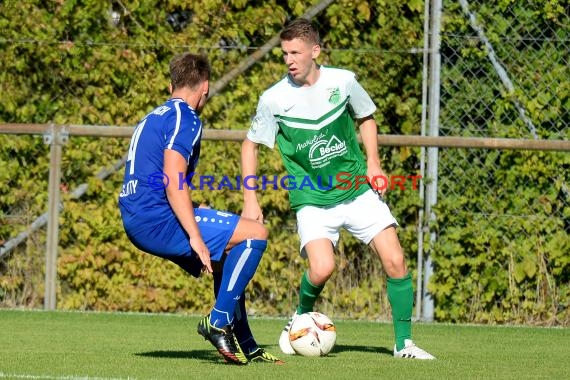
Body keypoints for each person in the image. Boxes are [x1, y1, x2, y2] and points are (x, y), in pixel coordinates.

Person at [241, 18, 435, 360]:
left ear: (315, 51)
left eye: (296, 52)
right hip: (312, 199)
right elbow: (250, 145)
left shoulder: (343, 81)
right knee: (322, 268)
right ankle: (299, 317)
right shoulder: (273, 99)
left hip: (356, 189)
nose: (289, 60)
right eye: (284, 53)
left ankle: (404, 344)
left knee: (395, 259)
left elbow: (366, 117)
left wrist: (374, 162)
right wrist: (250, 198)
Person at [119, 52, 282, 365]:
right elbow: (172, 178)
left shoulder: (155, 116)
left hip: (137, 216)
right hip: (156, 219)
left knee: (230, 250)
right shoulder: (186, 118)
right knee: (256, 234)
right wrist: (194, 234)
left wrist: (193, 210)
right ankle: (217, 322)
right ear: (205, 86)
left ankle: (247, 345)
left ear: (172, 85)